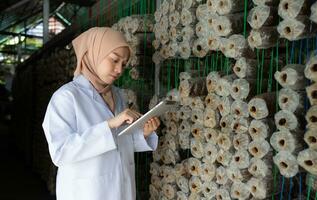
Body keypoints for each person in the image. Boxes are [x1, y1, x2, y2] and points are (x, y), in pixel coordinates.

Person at [42, 27, 160, 200]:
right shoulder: (66, 97)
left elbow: (119, 141)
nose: (119, 69)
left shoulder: (118, 95)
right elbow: (61, 152)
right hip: (86, 193)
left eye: (124, 64)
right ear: (94, 54)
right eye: (114, 60)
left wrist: (144, 133)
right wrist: (109, 124)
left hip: (121, 190)